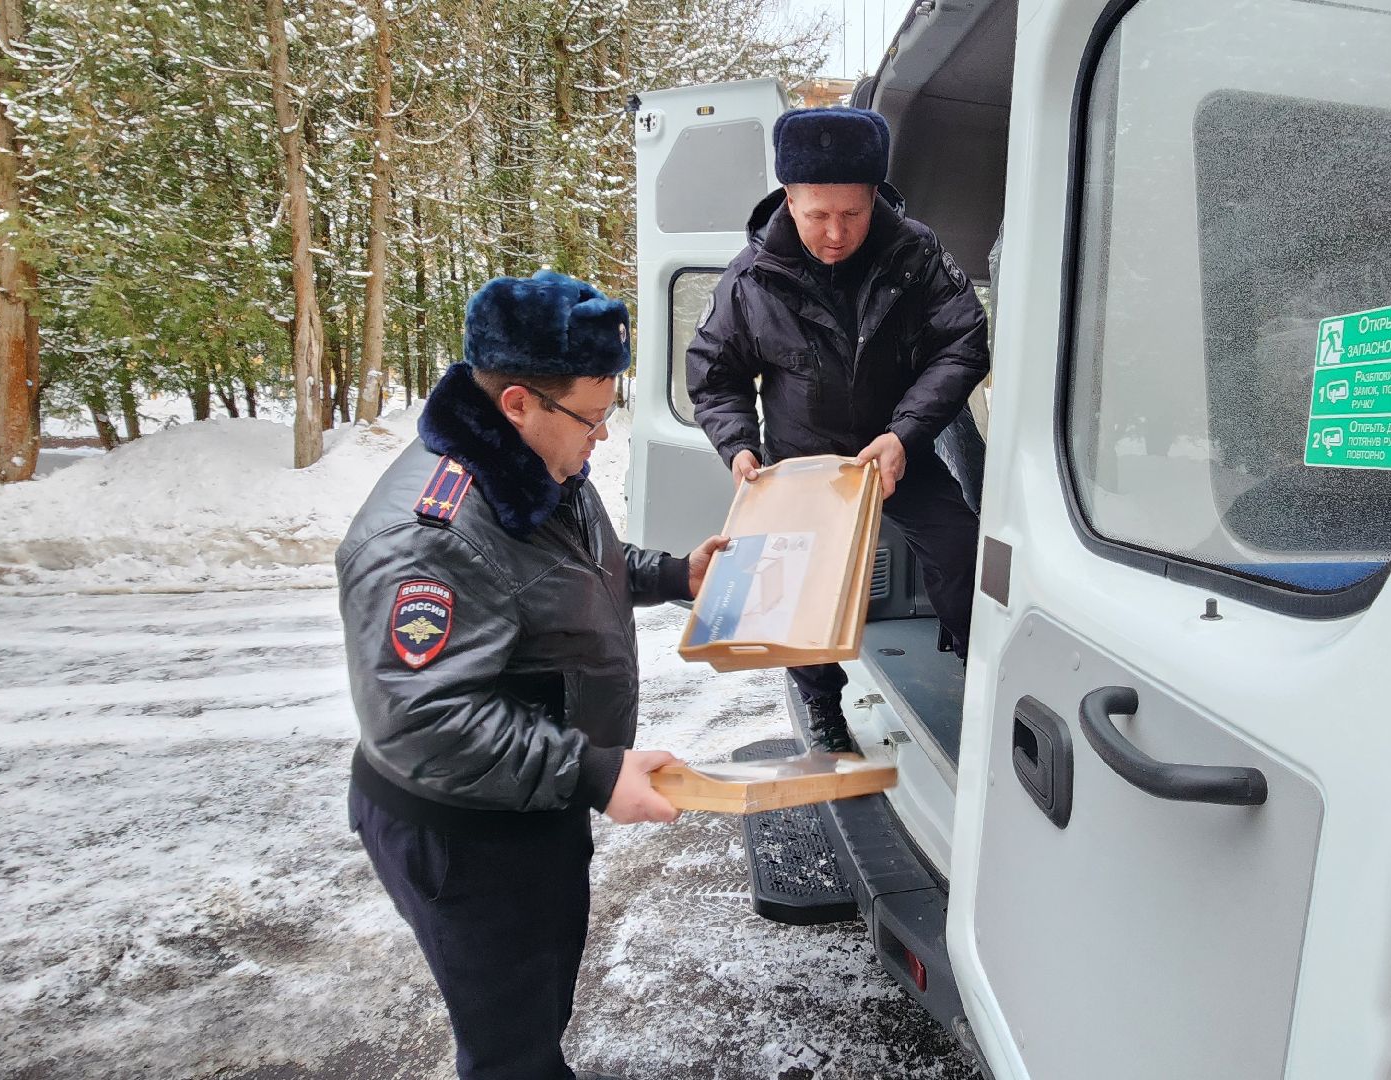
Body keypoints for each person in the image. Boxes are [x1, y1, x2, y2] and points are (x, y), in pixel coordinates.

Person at [339, 270, 726, 1080]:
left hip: (530, 799)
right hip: (467, 830)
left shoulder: (532, 466)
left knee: (539, 998)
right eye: (593, 414)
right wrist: (593, 769)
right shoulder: (429, 535)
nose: (604, 434)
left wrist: (670, 574)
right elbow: (423, 721)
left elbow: (570, 570)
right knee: (511, 1047)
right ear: (518, 402)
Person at [686, 106, 991, 753]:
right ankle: (823, 707)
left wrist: (907, 434)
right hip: (800, 463)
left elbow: (964, 342)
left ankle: (983, 677)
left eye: (851, 214)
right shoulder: (751, 278)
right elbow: (715, 377)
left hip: (891, 451)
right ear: (788, 198)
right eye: (817, 214)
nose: (834, 233)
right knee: (797, 598)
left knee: (963, 551)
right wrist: (739, 444)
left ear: (875, 196)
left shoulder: (915, 253)